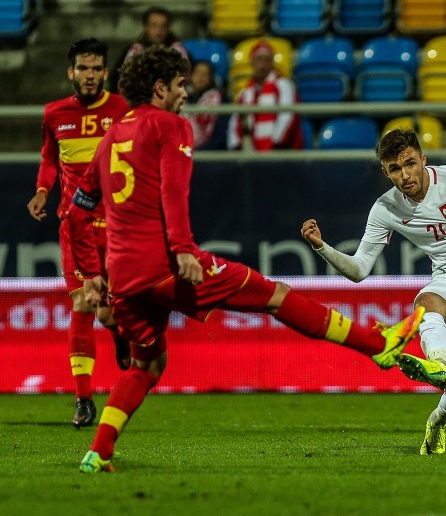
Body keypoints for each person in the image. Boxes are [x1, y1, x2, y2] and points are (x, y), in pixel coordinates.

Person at [69, 46, 425, 473]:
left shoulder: (112, 136)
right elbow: (173, 194)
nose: (186, 94)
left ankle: (99, 452)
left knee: (148, 363)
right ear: (160, 87)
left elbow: (77, 209)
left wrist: (91, 273)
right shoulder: (170, 126)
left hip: (123, 277)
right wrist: (182, 249)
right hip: (166, 264)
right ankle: (379, 346)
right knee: (276, 295)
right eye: (180, 85)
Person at [301, 128, 446, 455]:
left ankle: (437, 420)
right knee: (427, 304)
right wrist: (321, 247)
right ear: (385, 172)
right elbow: (359, 270)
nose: (405, 174)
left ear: (423, 159)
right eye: (395, 169)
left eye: (410, 164)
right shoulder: (386, 208)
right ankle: (438, 364)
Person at [26, 37, 131, 428]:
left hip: (118, 227)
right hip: (76, 225)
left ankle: (119, 334)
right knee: (84, 304)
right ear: (71, 72)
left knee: (111, 310)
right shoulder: (55, 113)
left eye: (96, 69)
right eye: (83, 69)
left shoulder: (122, 109)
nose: (90, 76)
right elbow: (49, 159)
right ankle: (84, 398)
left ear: (105, 73)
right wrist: (41, 191)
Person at [227, 40, 303, 151]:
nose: (262, 65)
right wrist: (236, 146)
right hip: (253, 153)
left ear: (272, 63)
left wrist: (276, 144)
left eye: (267, 60)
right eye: (259, 60)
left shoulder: (284, 85)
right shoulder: (245, 93)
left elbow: (288, 116)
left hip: (281, 151)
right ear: (252, 63)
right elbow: (235, 122)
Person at [109, 6, 187, 92]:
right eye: (154, 25)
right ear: (145, 27)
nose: (159, 30)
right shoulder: (134, 50)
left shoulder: (178, 51)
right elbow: (117, 79)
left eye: (163, 25)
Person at [183, 59, 226, 150]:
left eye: (205, 74)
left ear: (211, 78)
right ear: (190, 76)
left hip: (207, 153)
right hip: (183, 149)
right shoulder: (181, 98)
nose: (201, 77)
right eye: (197, 73)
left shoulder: (218, 99)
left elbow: (219, 137)